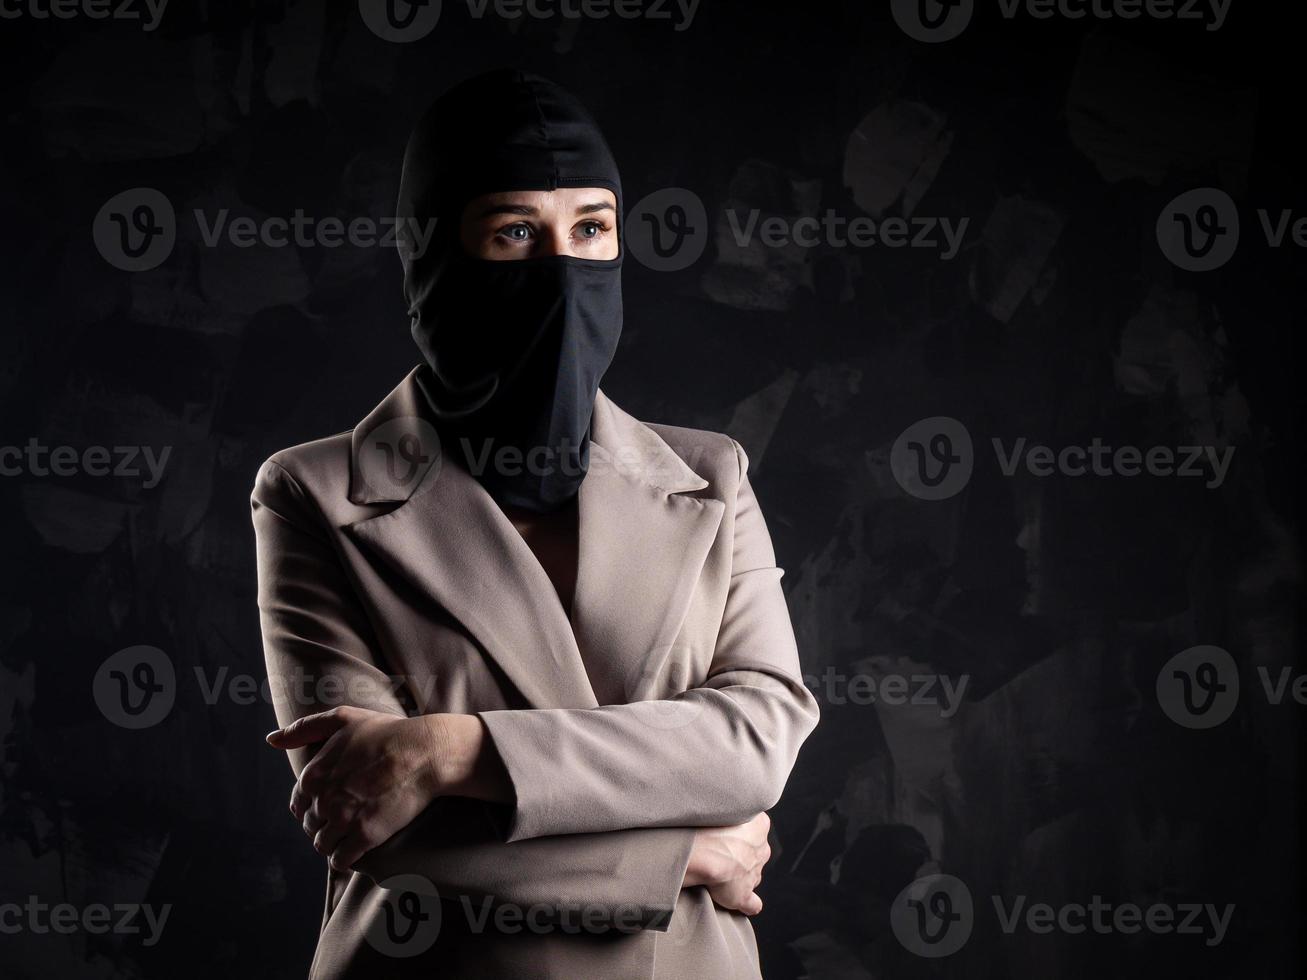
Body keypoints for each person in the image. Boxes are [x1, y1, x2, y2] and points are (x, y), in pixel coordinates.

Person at [251, 69, 819, 979]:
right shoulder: (312, 494)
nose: (562, 271)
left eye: (591, 229)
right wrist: (676, 856)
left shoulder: (712, 475)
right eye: (514, 232)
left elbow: (755, 740)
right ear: (434, 253)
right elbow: (370, 818)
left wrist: (450, 748)